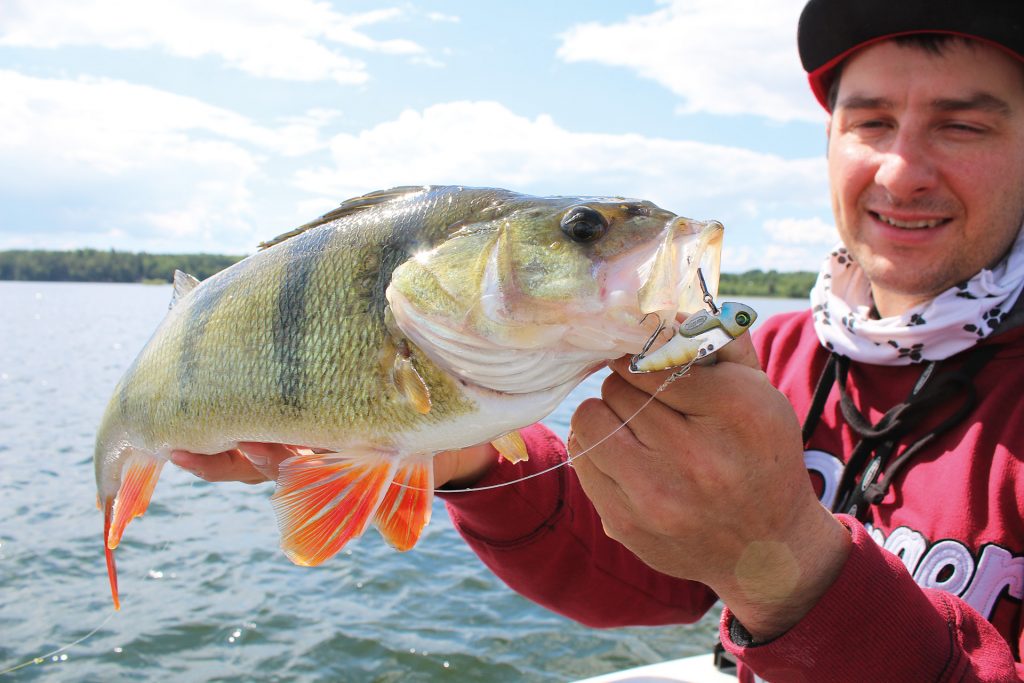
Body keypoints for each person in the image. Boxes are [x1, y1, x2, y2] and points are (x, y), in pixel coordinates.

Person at [171, 1, 1024, 679]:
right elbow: (656, 574)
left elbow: (753, 569)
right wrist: (459, 454)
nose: (902, 169)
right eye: (870, 121)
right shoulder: (791, 356)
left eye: (963, 124)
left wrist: (797, 572)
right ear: (831, 139)